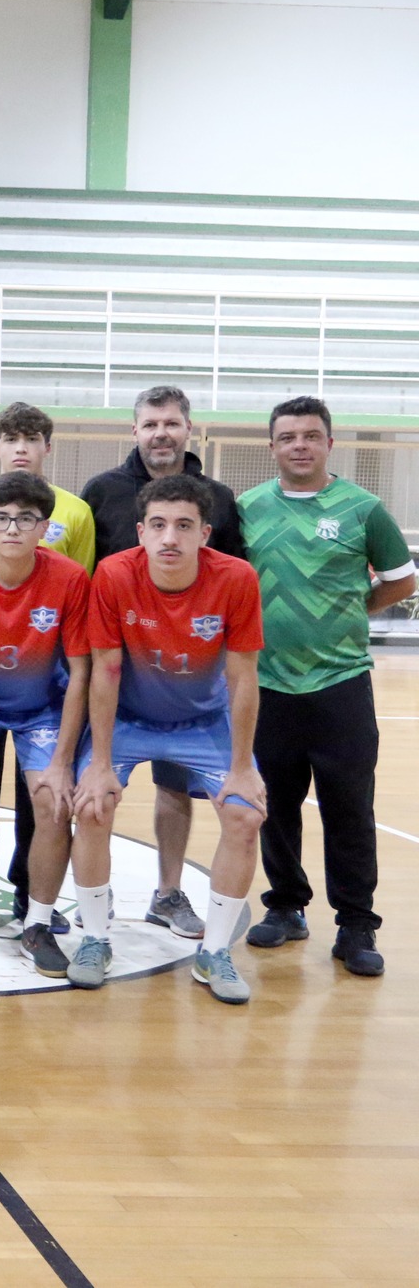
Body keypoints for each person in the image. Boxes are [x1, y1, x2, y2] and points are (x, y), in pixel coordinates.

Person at [70, 475, 266, 1004]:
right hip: (131, 716)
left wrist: (243, 766)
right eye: (157, 525)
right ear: (140, 531)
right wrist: (100, 762)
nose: (170, 539)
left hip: (204, 721)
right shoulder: (113, 575)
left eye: (184, 526)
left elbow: (243, 677)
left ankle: (216, 951)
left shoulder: (237, 578)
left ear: (206, 533)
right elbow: (105, 671)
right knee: (91, 805)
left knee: (245, 815)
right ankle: (93, 937)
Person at [240, 396, 411, 977]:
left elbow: (400, 579)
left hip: (341, 682)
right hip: (267, 686)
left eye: (311, 435)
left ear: (329, 443)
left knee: (349, 808)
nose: (300, 446)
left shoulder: (363, 509)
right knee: (275, 806)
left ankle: (356, 924)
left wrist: (348, 610)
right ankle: (286, 906)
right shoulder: (249, 508)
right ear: (272, 447)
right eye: (287, 437)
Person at [79, 385, 246, 941]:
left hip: (189, 675)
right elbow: (85, 575)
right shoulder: (102, 491)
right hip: (119, 672)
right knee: (88, 795)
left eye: (172, 423)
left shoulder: (218, 498)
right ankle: (86, 912)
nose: (161, 433)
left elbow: (229, 589)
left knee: (179, 789)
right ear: (136, 431)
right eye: (151, 424)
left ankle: (168, 893)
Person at [0, 401, 96, 928]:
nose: (12, 528)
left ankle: (38, 916)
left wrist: (64, 758)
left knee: (51, 801)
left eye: (25, 519)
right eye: (1, 519)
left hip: (42, 708)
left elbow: (81, 671)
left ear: (45, 526)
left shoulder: (71, 577)